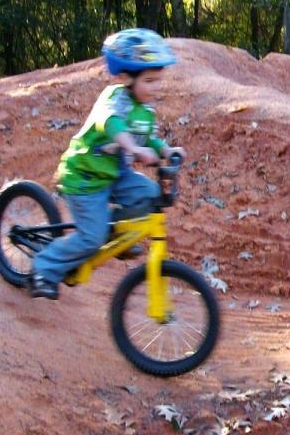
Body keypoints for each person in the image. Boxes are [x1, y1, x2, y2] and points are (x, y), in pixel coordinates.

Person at [30, 28, 184, 300]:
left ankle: (113, 236)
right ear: (125, 77)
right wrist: (134, 148)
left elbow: (149, 136)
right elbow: (111, 124)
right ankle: (44, 269)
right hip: (85, 177)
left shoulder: (144, 109)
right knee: (91, 237)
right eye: (149, 81)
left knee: (148, 194)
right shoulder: (114, 99)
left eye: (158, 81)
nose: (155, 87)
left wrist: (166, 149)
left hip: (115, 174)